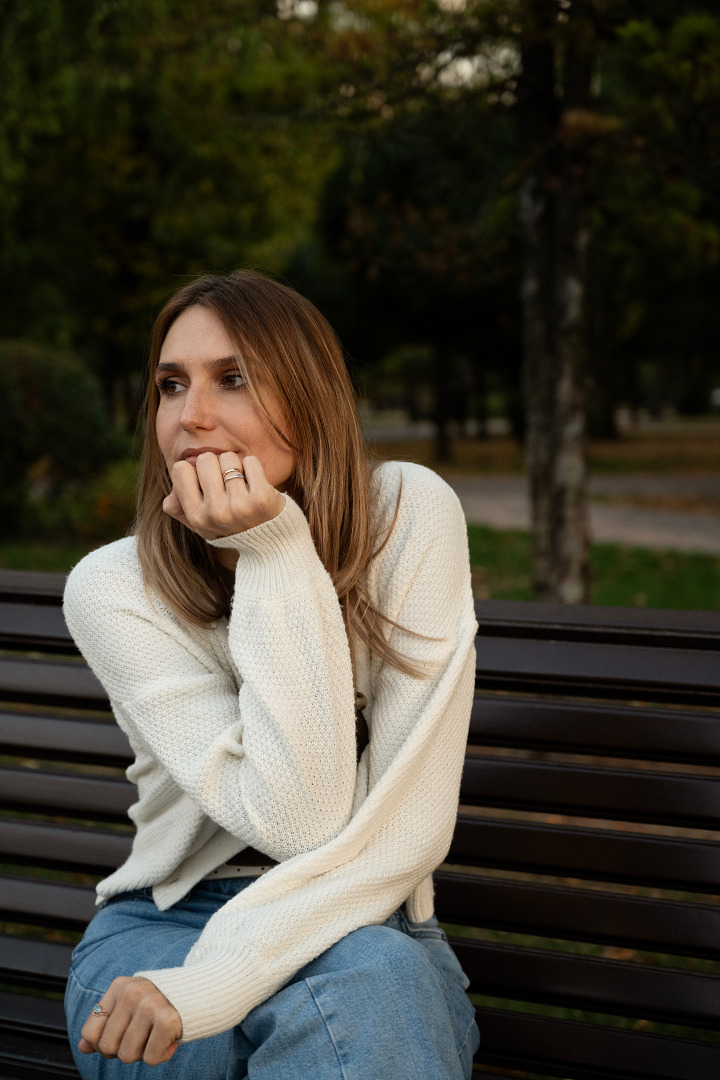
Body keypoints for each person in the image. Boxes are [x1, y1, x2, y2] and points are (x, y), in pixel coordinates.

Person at [63, 270, 480, 1078]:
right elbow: (291, 816)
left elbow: (381, 834)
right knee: (178, 1036)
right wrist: (273, 548)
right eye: (171, 385)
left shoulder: (410, 515)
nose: (192, 416)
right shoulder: (115, 586)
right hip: (167, 916)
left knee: (375, 991)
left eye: (234, 378)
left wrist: (275, 547)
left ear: (308, 395)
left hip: (366, 915)